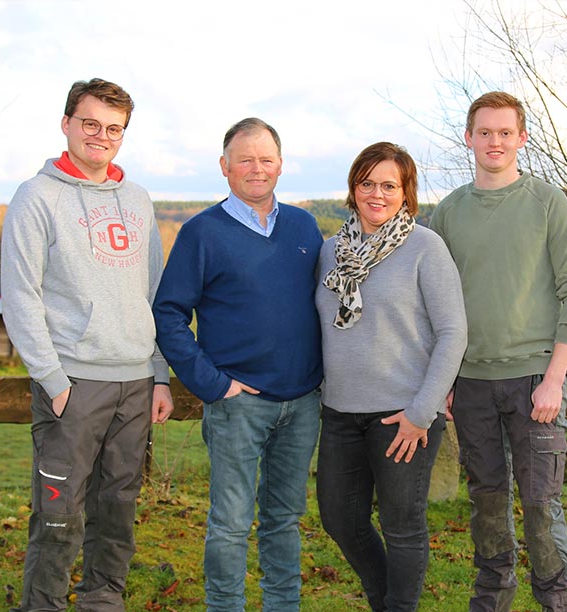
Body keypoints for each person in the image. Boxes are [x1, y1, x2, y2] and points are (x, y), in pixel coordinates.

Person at [1, 78, 174, 612]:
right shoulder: (37, 198)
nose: (102, 136)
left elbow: (154, 293)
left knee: (118, 507)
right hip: (73, 385)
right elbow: (20, 296)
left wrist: (160, 374)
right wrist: (54, 382)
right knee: (59, 513)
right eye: (91, 124)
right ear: (67, 124)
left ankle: (103, 600)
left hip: (135, 383)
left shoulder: (138, 200)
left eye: (114, 128)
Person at [430, 91, 567, 612]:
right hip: (471, 384)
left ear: (522, 138)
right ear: (469, 138)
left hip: (534, 382)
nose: (494, 141)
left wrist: (555, 378)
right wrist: (446, 380)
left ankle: (557, 602)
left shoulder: (548, 203)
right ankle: (492, 600)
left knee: (541, 506)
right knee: (486, 503)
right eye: (485, 132)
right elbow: (432, 301)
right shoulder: (448, 213)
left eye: (505, 132)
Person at [152, 117, 323, 612]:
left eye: (266, 159)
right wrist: (212, 384)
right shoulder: (202, 233)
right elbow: (167, 313)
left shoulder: (303, 226)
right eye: (244, 159)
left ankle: (281, 605)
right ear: (225, 167)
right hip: (237, 405)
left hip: (302, 401)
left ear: (281, 166)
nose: (256, 168)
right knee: (230, 523)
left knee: (285, 519)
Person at [314, 142, 467, 611]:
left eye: (388, 185)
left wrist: (422, 413)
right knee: (341, 519)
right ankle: (387, 602)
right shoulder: (331, 252)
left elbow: (453, 332)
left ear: (406, 193)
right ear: (353, 188)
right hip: (340, 413)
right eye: (367, 183)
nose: (376, 194)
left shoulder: (425, 247)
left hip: (404, 415)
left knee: (402, 525)